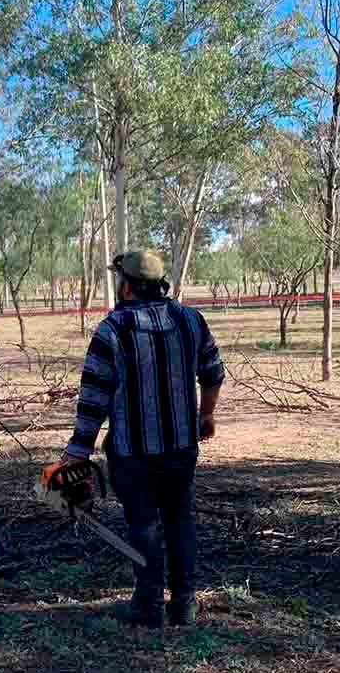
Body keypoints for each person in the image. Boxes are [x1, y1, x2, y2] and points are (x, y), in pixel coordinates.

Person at [61, 250, 224, 628]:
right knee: (179, 519)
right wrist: (206, 416)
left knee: (143, 524)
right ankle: (184, 604)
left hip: (132, 452)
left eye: (120, 280)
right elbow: (213, 373)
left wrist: (78, 451)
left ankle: (148, 605)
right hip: (182, 448)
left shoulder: (112, 329)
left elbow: (93, 397)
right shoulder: (191, 320)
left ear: (128, 285)